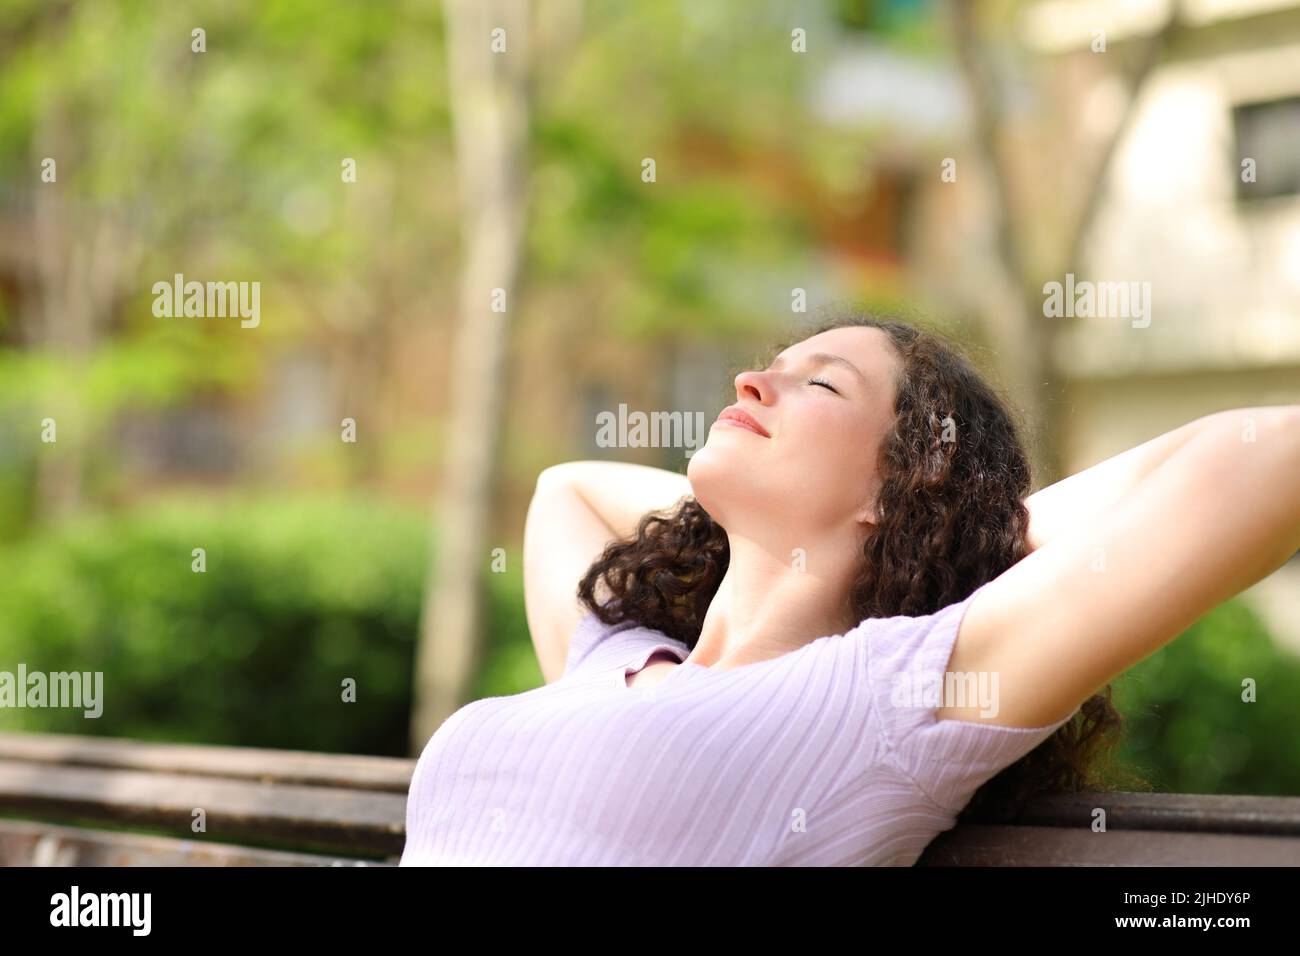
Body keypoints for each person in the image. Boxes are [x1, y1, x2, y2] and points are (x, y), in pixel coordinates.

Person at [400, 313, 1300, 866]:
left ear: (904, 480)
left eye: (819, 382)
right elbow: (566, 489)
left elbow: (1266, 458)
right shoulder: (610, 658)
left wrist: (967, 527)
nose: (752, 381)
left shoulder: (881, 701)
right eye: (772, 367)